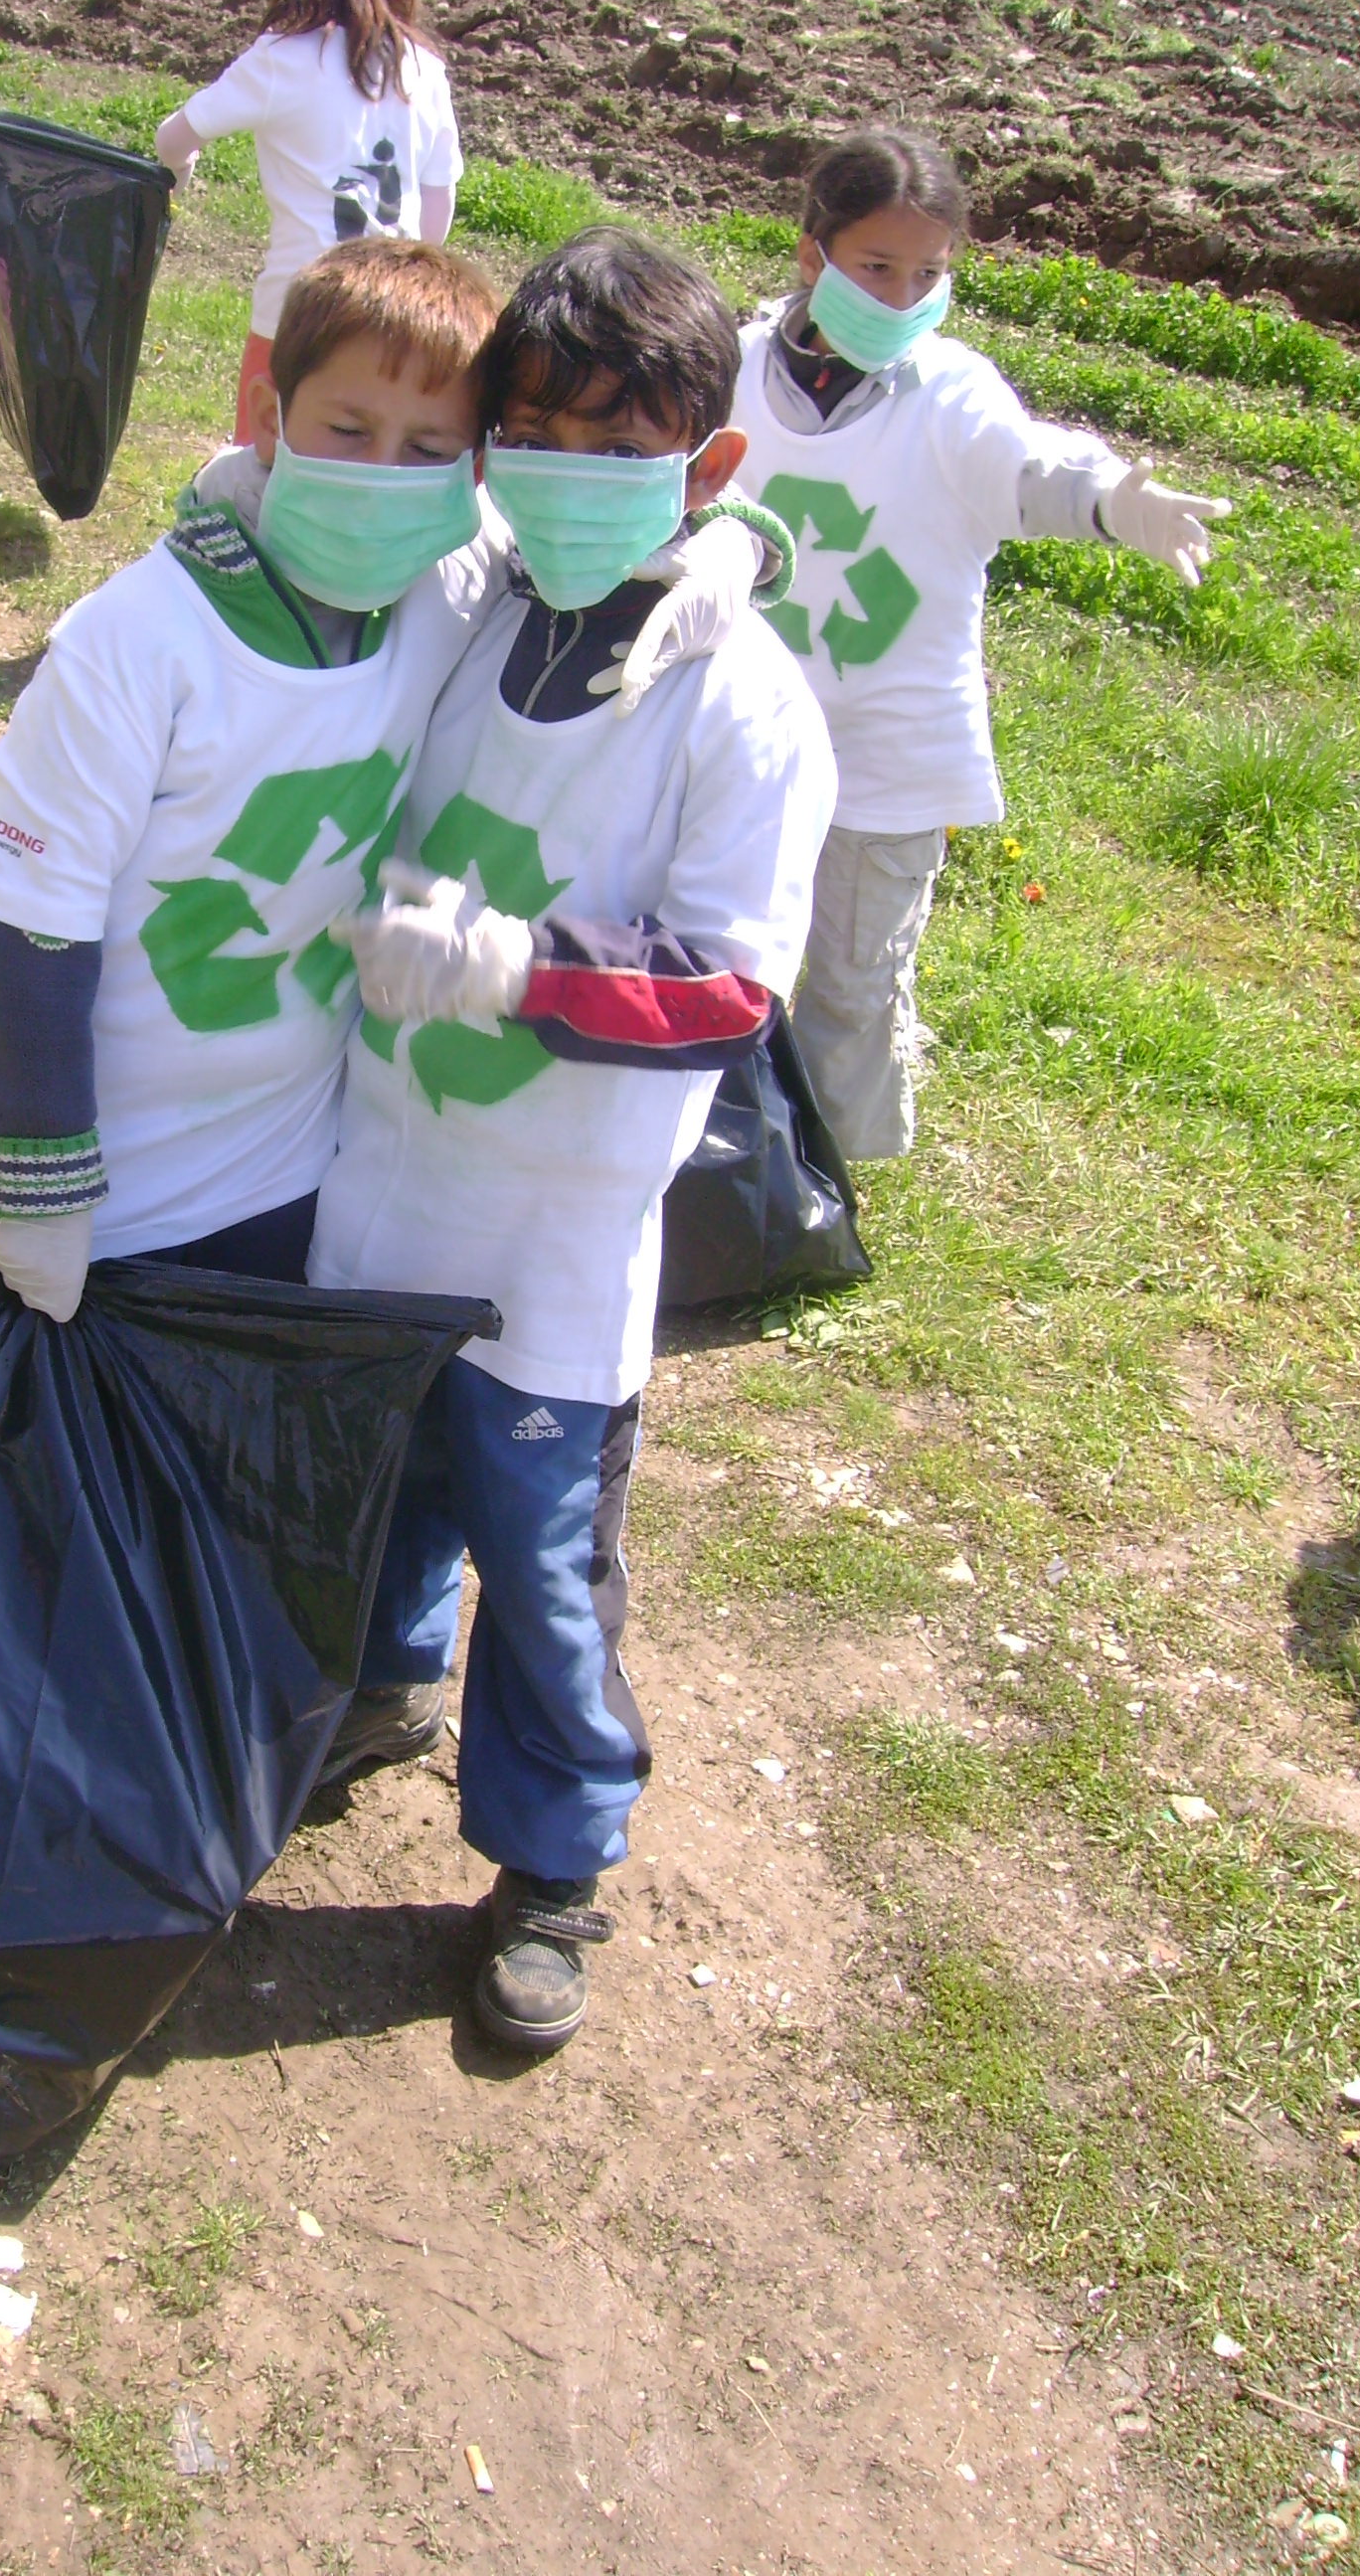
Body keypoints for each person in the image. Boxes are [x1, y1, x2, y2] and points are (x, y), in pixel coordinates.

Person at [311, 230, 835, 2057]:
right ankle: (377, 1688)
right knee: (381, 1473)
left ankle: (553, 1863)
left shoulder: (741, 702)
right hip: (387, 1167)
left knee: (541, 1545)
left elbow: (728, 988)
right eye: (527, 436)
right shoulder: (475, 600)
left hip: (555, 1223)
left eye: (612, 450)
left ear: (705, 468)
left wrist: (524, 969)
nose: (560, 478)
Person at [0, 238, 770, 1335]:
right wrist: (43, 1179)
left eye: (430, 447)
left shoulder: (445, 586)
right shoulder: (133, 643)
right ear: (268, 413)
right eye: (347, 430)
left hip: (290, 1180)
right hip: (107, 1189)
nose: (385, 473)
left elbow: (620, 508)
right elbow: (9, 926)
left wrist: (736, 549)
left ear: (474, 468)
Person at [732, 125, 1231, 1161]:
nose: (904, 295)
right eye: (877, 267)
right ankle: (718, 1150)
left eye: (930, 273)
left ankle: (839, 1176)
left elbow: (1028, 470)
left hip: (889, 756)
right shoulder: (731, 369)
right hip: (737, 737)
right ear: (811, 254)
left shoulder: (951, 393)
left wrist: (1110, 505)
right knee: (724, 946)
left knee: (853, 984)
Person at [154, 0, 460, 446]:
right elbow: (437, 206)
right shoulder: (426, 70)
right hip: (394, 316)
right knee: (367, 459)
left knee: (263, 463)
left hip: (294, 314)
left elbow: (173, 137)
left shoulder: (281, 59)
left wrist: (180, 171)